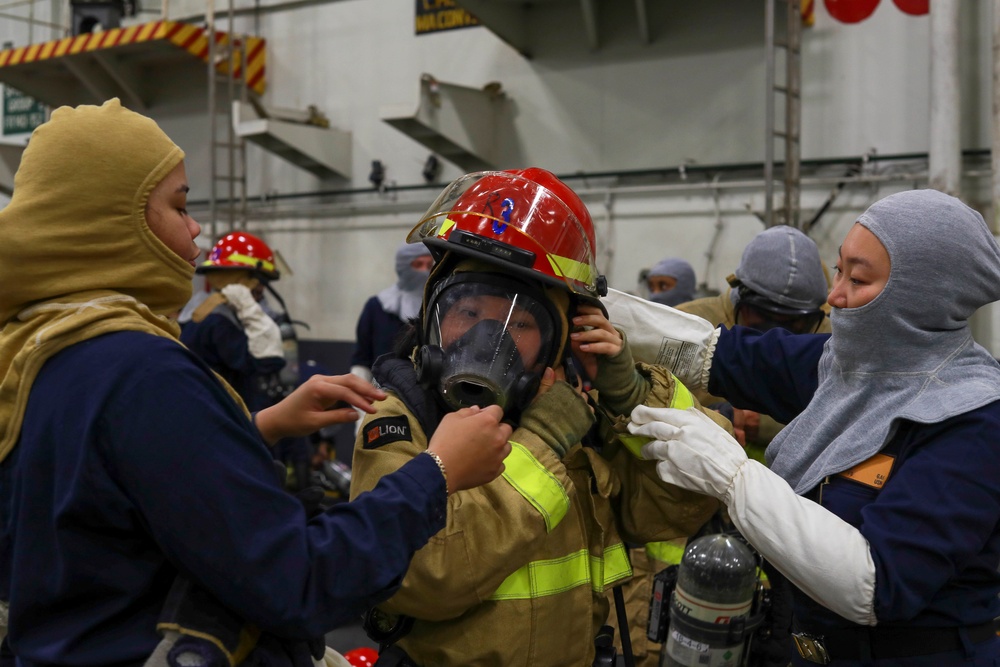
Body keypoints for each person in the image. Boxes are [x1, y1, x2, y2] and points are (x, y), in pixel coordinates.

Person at [0, 99, 512, 667]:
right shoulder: (142, 372)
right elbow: (297, 580)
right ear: (111, 220)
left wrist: (255, 427)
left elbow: (108, 487)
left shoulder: (38, 350)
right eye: (180, 205)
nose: (196, 229)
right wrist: (435, 475)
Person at [349, 167, 726, 667]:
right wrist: (542, 440)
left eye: (520, 321)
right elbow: (419, 578)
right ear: (433, 316)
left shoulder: (581, 419)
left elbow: (688, 499)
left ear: (562, 337)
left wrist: (630, 396)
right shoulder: (402, 422)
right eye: (466, 311)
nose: (488, 340)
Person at [627, 188, 1000, 666]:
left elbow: (874, 584)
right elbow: (715, 354)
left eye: (859, 280)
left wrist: (734, 477)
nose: (835, 296)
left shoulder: (973, 418)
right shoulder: (852, 368)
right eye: (839, 268)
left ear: (920, 297)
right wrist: (590, 304)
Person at [675, 224, 831, 456]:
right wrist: (705, 416)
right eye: (764, 319)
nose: (776, 336)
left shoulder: (826, 339)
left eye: (793, 324)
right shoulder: (684, 325)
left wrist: (761, 423)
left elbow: (844, 418)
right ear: (739, 297)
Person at [181, 231, 314, 490]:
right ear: (240, 280)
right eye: (258, 285)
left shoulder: (202, 311)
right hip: (230, 430)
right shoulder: (219, 320)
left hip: (232, 425)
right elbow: (267, 361)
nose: (261, 294)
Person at [350, 242, 434, 384]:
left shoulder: (438, 307)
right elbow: (362, 359)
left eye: (429, 266)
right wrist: (361, 396)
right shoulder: (378, 307)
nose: (424, 272)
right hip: (383, 392)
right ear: (404, 267)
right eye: (418, 265)